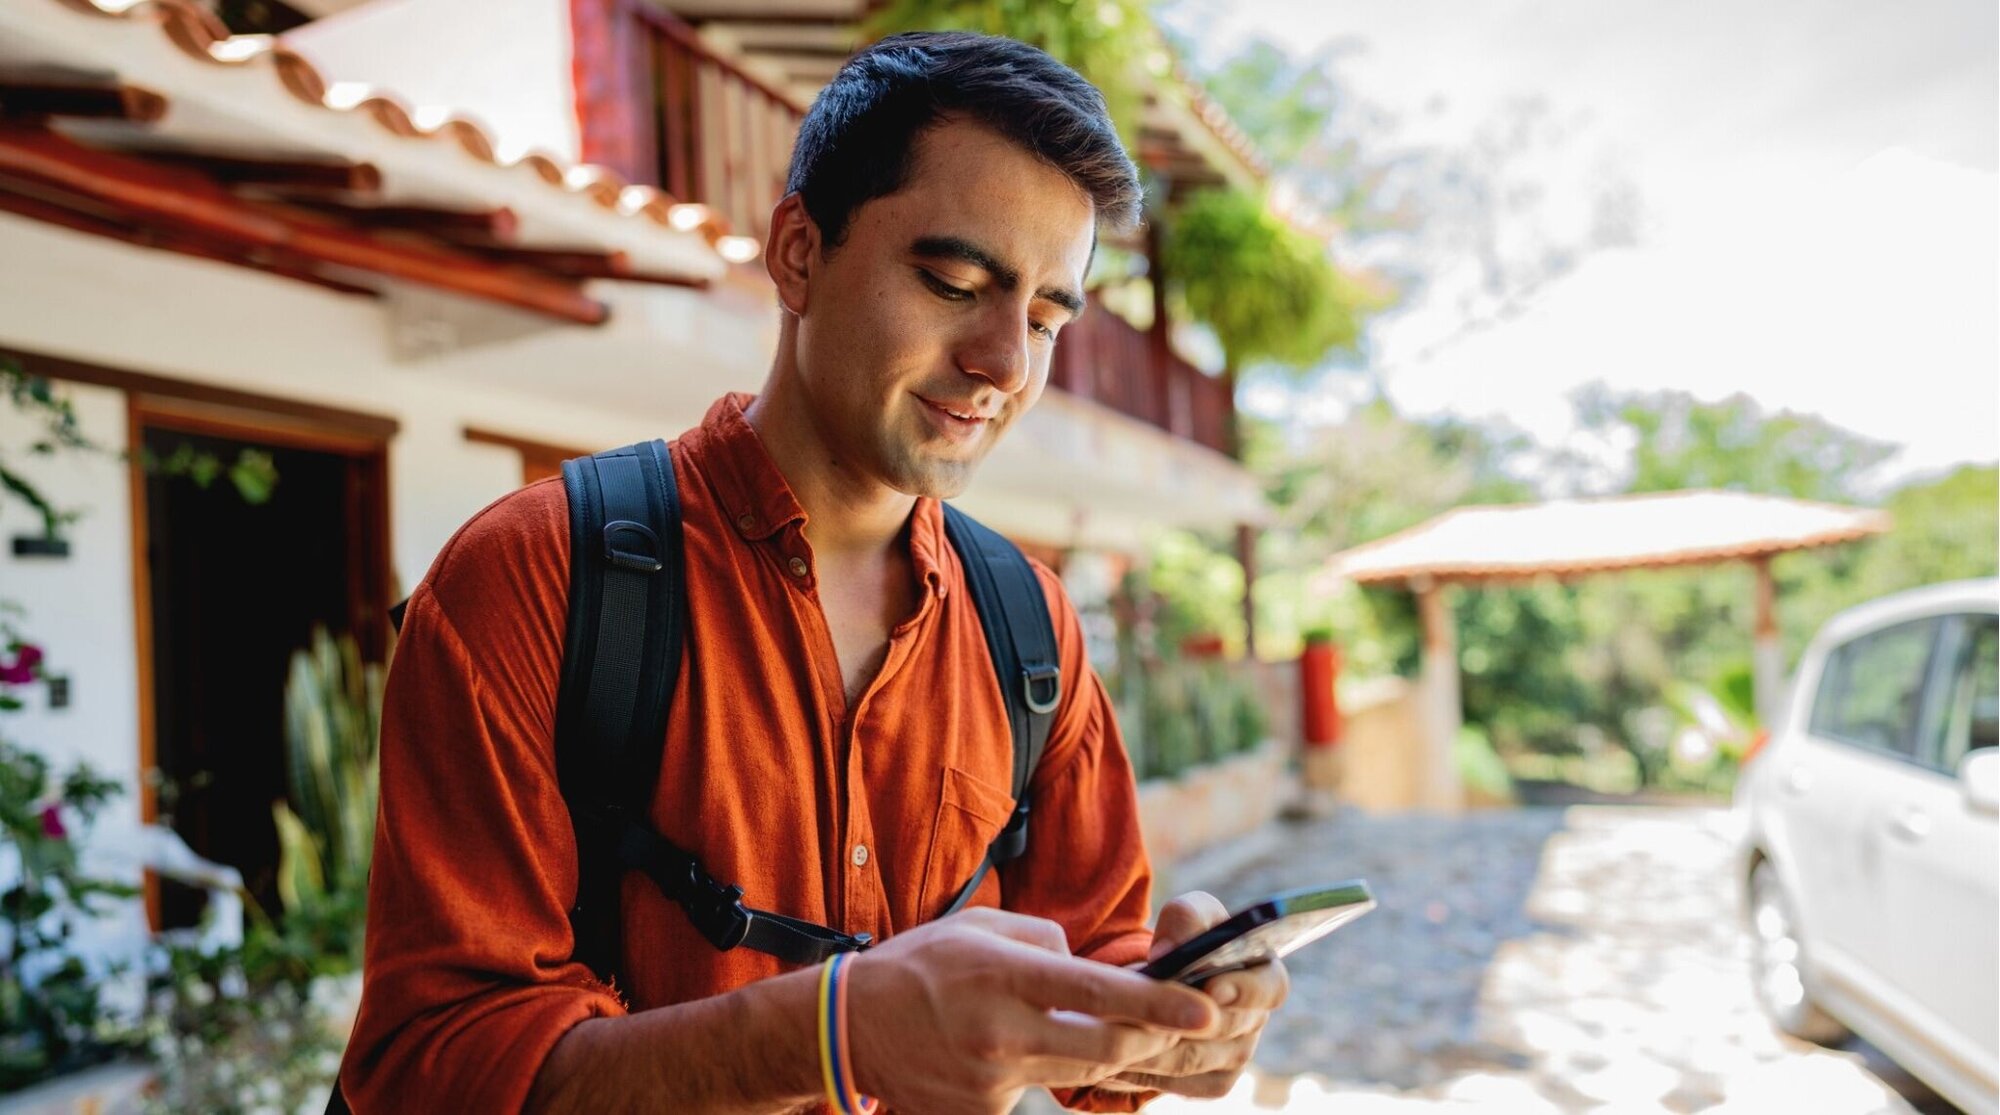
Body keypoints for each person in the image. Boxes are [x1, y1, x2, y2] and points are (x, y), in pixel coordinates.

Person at [338, 31, 1288, 1115]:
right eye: (951, 282)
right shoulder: (533, 577)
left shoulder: (1029, 623)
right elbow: (429, 1068)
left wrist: (1168, 1014)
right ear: (797, 252)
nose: (1005, 366)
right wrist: (828, 1036)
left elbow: (1097, 944)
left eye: (1040, 317)